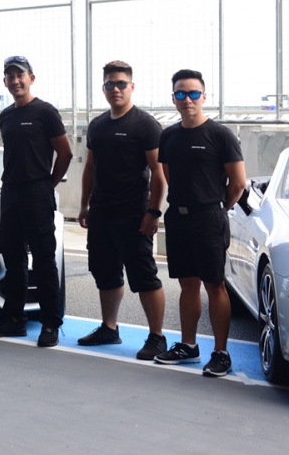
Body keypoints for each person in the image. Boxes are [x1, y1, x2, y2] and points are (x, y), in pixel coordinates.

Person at [155, 68, 246, 377]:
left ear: (204, 96)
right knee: (187, 284)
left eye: (193, 93)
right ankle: (188, 346)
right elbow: (168, 174)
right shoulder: (168, 135)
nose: (187, 99)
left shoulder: (220, 135)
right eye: (181, 93)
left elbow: (238, 183)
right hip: (178, 219)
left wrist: (215, 207)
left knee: (214, 284)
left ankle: (220, 353)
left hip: (209, 219)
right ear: (173, 98)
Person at [77, 60, 168, 360]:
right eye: (110, 84)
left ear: (132, 86)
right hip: (101, 212)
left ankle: (157, 337)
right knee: (105, 272)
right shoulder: (97, 125)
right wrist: (84, 205)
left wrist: (153, 212)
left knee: (144, 275)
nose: (115, 89)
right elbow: (90, 168)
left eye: (121, 84)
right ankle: (109, 328)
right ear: (103, 88)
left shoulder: (145, 124)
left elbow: (158, 173)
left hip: (135, 214)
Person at [0, 56, 72, 347]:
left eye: (20, 75)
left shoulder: (45, 112)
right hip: (10, 193)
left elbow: (65, 153)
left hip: (37, 193)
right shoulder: (5, 116)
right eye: (10, 76)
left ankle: (51, 323)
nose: (15, 81)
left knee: (44, 261)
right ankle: (14, 319)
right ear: (5, 81)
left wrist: (48, 184)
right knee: (13, 259)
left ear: (31, 78)